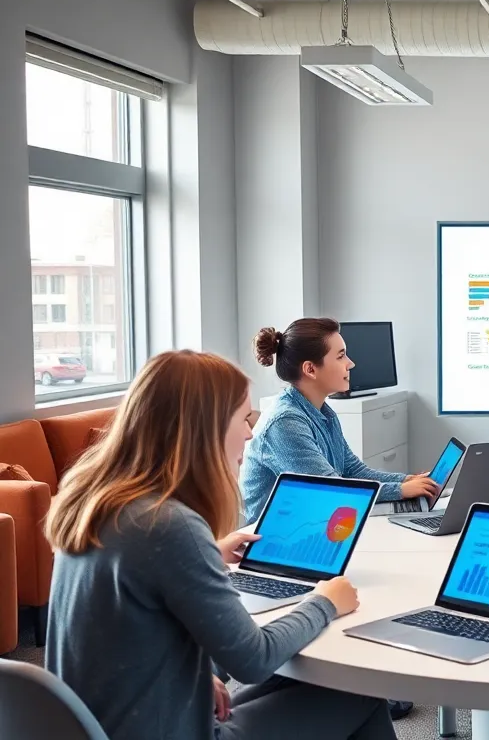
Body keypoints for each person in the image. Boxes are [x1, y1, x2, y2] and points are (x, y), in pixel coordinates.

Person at [43, 350, 394, 740]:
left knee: (313, 685)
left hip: (108, 724)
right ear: (205, 429)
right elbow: (254, 659)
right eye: (243, 419)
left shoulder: (93, 500)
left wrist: (207, 552)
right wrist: (325, 602)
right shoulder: (168, 525)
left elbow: (120, 625)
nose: (249, 433)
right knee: (360, 691)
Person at [239, 317, 429, 720]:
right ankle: (354, 676)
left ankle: (365, 674)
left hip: (315, 533)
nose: (351, 364)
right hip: (284, 547)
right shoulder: (286, 423)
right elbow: (333, 491)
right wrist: (399, 492)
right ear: (311, 368)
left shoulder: (321, 411)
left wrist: (407, 482)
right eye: (341, 356)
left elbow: (353, 471)